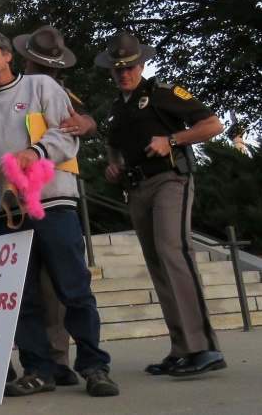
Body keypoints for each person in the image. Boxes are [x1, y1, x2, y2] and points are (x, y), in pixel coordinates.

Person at [0, 29, 118, 398]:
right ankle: (38, 370)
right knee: (21, 296)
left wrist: (35, 152)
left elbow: (68, 134)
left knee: (74, 288)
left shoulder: (42, 87)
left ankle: (94, 366)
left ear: (8, 55)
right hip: (4, 212)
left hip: (53, 203)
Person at [98, 33, 226, 377]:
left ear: (142, 65)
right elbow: (115, 147)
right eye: (118, 68)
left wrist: (172, 139)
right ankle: (182, 348)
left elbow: (212, 125)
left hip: (170, 181)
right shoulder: (115, 108)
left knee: (174, 252)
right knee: (157, 263)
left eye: (130, 66)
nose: (124, 73)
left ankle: (205, 347)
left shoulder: (163, 93)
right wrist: (114, 166)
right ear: (111, 70)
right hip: (136, 188)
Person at [10, 25, 97, 386]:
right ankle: (47, 362)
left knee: (56, 288)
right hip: (18, 200)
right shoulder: (16, 91)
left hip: (54, 195)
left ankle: (59, 361)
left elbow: (86, 120)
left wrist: (86, 123)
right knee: (35, 289)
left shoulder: (58, 92)